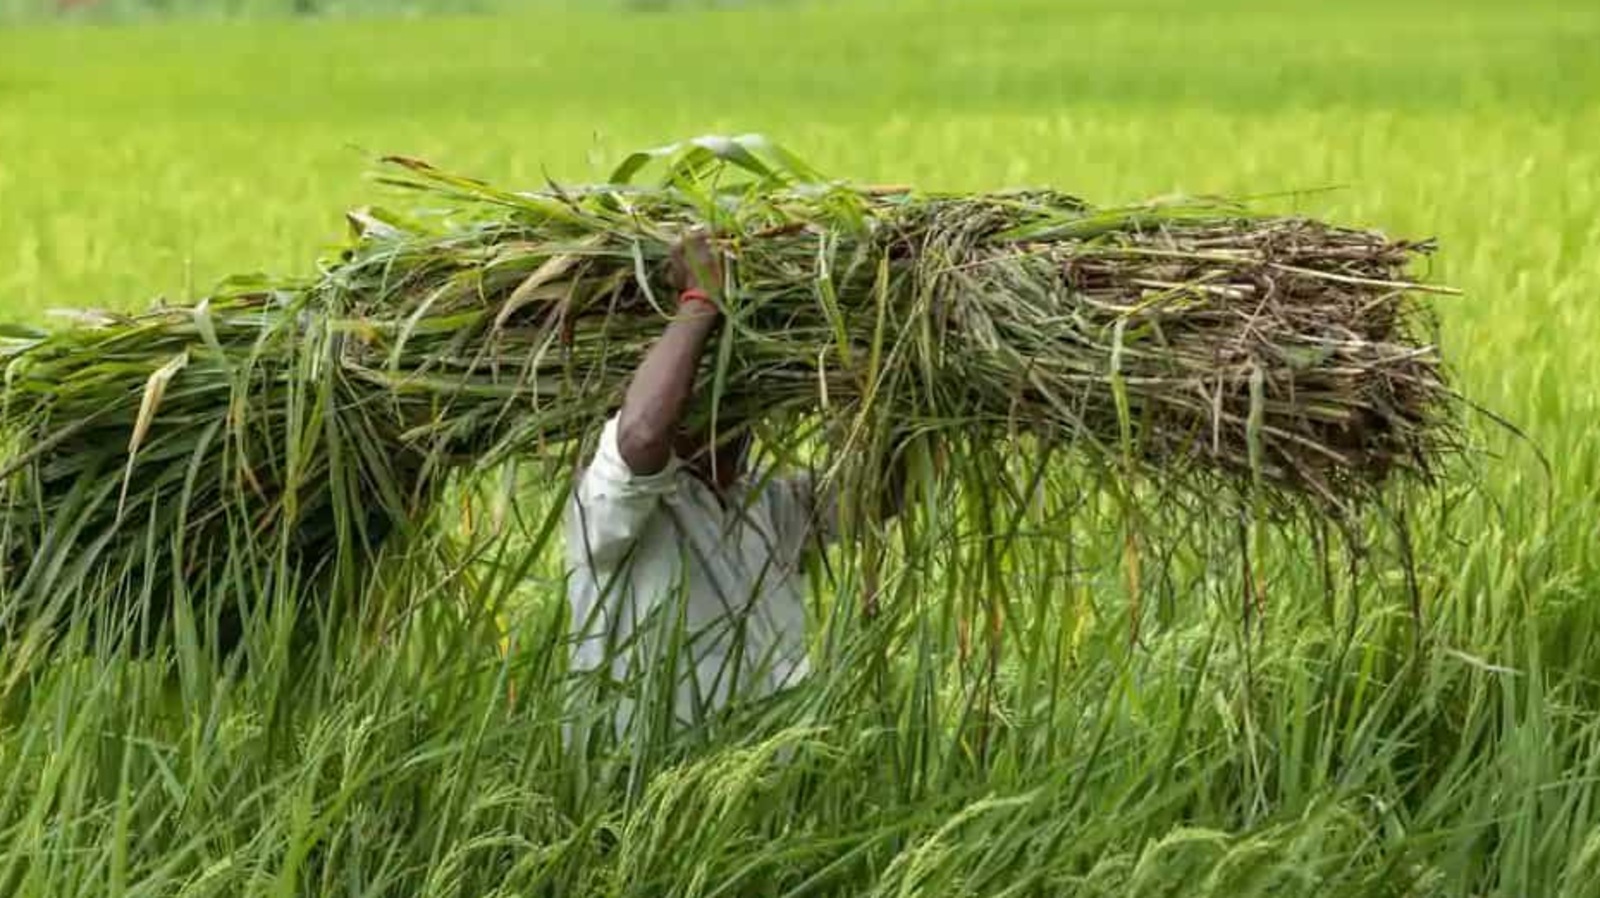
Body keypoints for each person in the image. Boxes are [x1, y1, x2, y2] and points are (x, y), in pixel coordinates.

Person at [563, 233, 837, 733]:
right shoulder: (606, 507)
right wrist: (701, 300)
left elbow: (881, 493)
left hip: (775, 797)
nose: (742, 417)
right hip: (644, 797)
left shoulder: (766, 505)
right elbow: (642, 435)